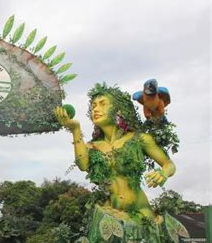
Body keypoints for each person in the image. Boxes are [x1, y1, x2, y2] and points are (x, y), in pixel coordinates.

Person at [54, 83, 175, 220]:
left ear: (118, 110)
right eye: (93, 106)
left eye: (103, 104)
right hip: (112, 213)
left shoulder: (138, 139)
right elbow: (83, 165)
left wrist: (163, 173)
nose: (96, 109)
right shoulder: (93, 146)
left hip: (140, 213)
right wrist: (75, 129)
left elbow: (169, 165)